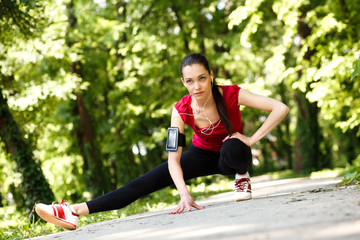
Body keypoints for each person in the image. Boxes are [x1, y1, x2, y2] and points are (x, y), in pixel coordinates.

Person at [35, 53, 289, 230]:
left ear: (211, 75)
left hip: (230, 157)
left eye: (202, 78)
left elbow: (280, 108)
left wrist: (251, 138)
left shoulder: (232, 94)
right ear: (183, 82)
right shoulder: (180, 110)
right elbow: (173, 159)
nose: (197, 86)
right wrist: (184, 193)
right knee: (141, 183)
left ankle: (242, 176)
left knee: (234, 145)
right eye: (190, 81)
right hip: (199, 156)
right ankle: (74, 211)